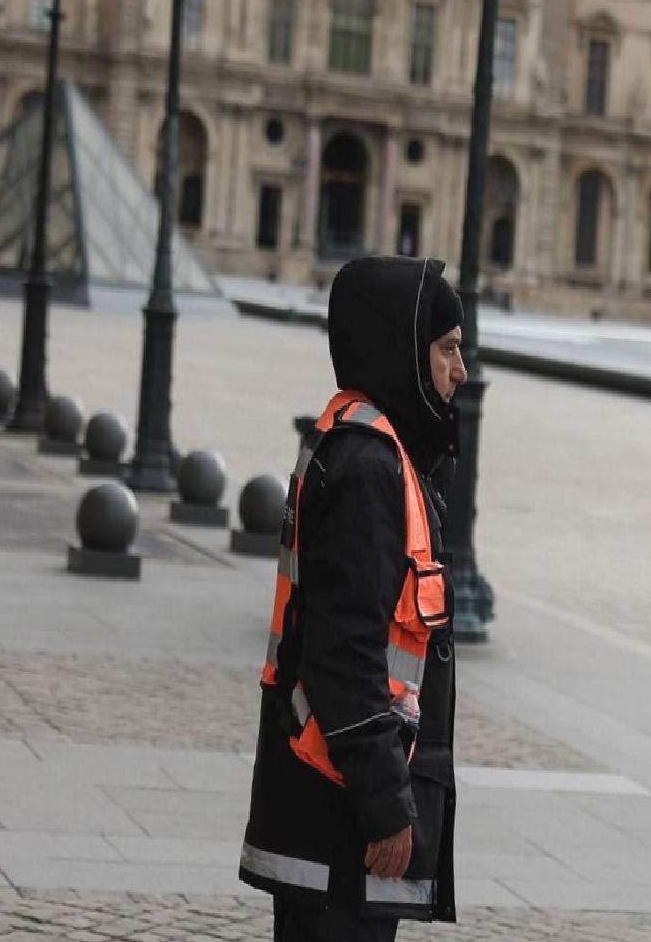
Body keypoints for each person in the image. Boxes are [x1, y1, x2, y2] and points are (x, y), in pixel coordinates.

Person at [241, 256, 468, 941]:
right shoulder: (371, 468)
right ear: (402, 348)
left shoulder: (367, 444)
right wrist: (387, 807)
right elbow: (345, 657)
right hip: (341, 817)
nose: (461, 372)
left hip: (329, 805)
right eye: (448, 350)